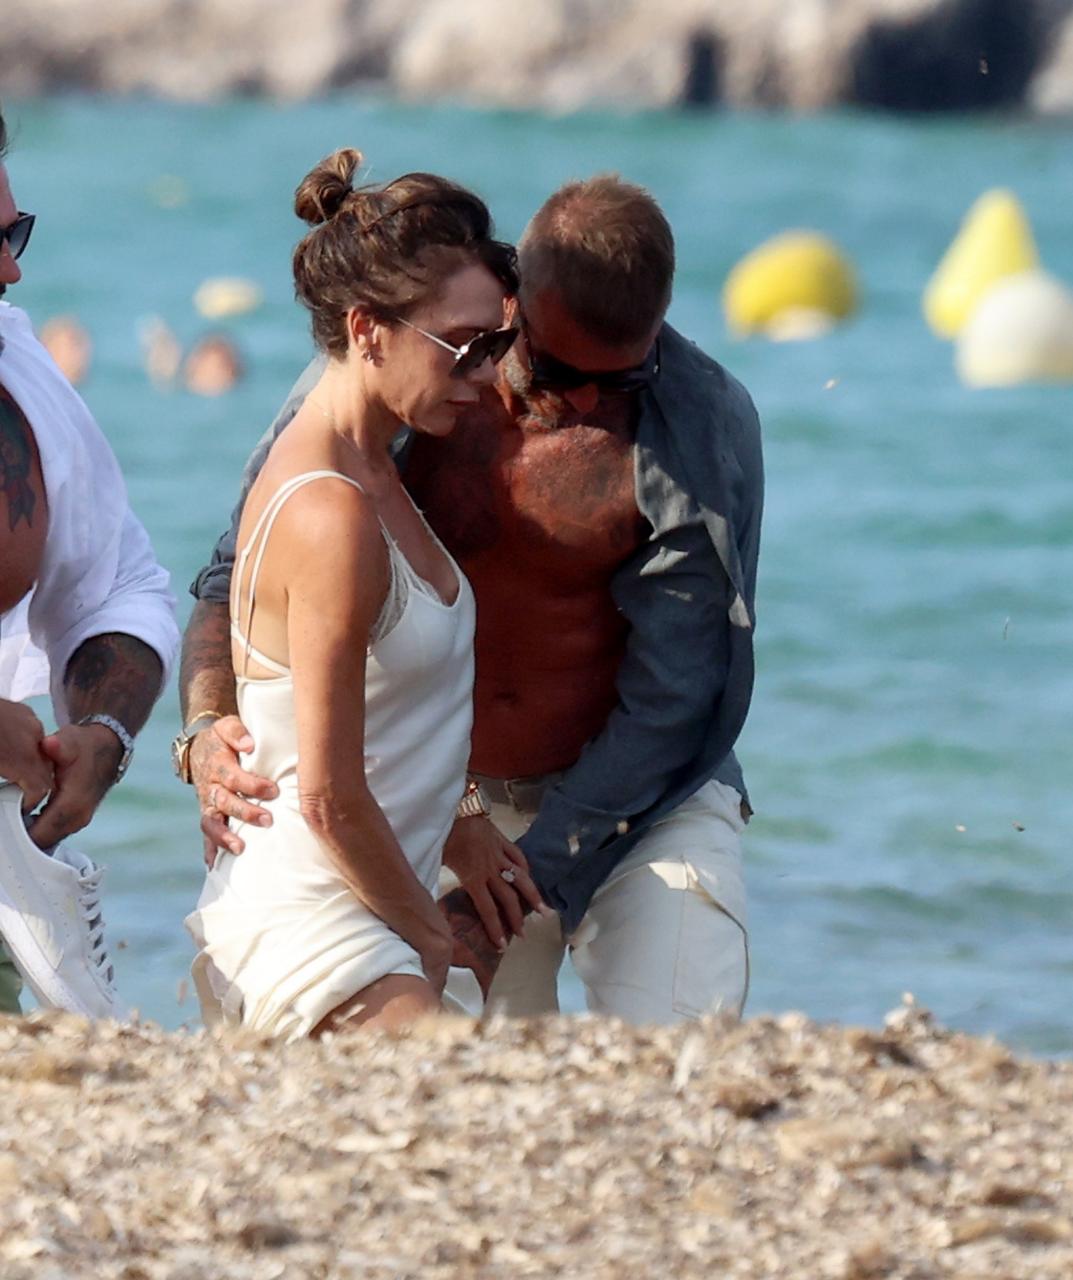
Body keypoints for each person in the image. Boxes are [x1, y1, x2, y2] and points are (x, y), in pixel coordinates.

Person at [181, 172, 762, 1025]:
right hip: (448, 798)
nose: (590, 399)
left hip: (644, 796)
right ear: (510, 305)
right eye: (557, 366)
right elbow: (238, 579)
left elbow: (677, 695)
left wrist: (539, 873)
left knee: (685, 1049)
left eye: (626, 379)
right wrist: (204, 727)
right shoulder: (403, 379)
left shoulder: (699, 422)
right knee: (481, 1090)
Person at [183, 148, 520, 1040]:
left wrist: (461, 815)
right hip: (316, 931)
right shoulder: (329, 508)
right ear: (368, 330)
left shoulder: (377, 465)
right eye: (464, 347)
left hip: (365, 913)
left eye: (499, 342)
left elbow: (381, 714)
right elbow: (326, 796)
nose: (487, 376)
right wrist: (426, 938)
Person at [0, 105, 179, 1018]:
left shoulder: (17, 373)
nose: (11, 267)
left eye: (14, 232)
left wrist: (104, 731)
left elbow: (116, 585)